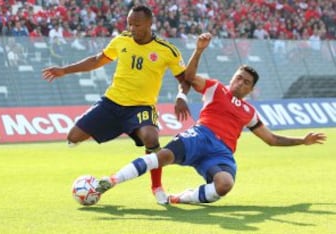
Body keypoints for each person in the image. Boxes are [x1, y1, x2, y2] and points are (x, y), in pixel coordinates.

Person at [94, 32, 327, 204]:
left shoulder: (249, 112)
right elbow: (189, 76)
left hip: (221, 152)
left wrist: (302, 140)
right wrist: (199, 50)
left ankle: (178, 199)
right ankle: (112, 180)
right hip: (200, 136)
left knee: (224, 185)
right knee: (162, 155)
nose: (240, 83)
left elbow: (271, 139)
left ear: (251, 89)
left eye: (246, 82)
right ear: (232, 77)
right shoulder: (216, 88)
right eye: (238, 78)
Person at [41, 5, 191, 204]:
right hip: (112, 103)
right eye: (129, 24)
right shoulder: (122, 40)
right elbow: (96, 61)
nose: (132, 28)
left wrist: (182, 96)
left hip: (141, 107)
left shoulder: (167, 50)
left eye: (136, 24)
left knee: (151, 138)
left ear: (149, 24)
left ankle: (157, 187)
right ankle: (119, 129)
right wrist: (64, 70)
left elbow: (185, 80)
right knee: (73, 138)